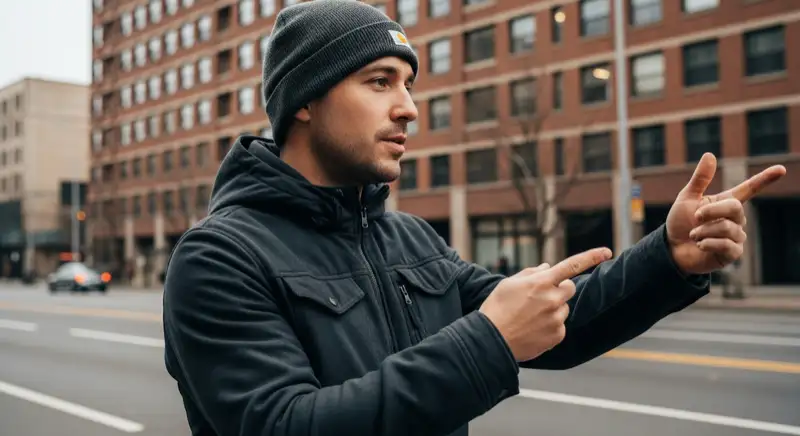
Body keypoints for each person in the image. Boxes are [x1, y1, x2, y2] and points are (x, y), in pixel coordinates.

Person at [161, 1, 787, 435]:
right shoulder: (220, 257)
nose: (408, 109)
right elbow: (285, 424)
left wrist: (670, 257)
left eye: (409, 86)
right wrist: (488, 340)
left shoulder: (407, 237)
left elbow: (551, 321)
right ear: (303, 102)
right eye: (380, 82)